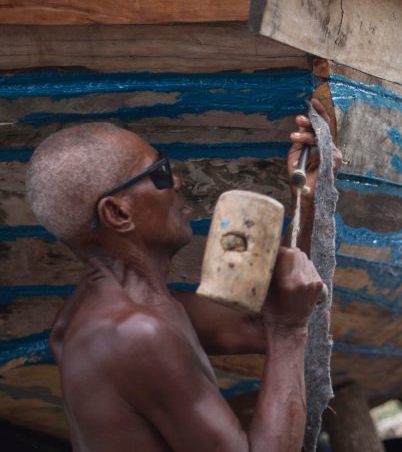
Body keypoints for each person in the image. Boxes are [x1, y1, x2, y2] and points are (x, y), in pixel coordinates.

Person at [24, 99, 341, 452]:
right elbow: (278, 325)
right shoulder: (134, 334)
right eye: (159, 172)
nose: (176, 179)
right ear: (118, 213)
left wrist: (308, 198)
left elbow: (254, 324)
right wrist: (288, 330)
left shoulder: (128, 309)